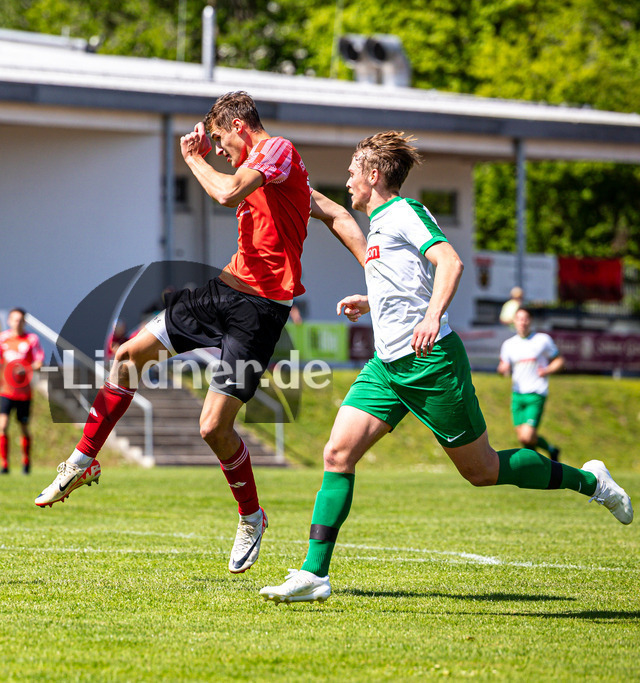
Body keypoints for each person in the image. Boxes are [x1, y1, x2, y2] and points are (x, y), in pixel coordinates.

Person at [259, 132, 632, 605]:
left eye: (354, 169)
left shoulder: (404, 213)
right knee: (337, 454)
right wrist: (370, 300)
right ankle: (314, 573)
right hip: (387, 368)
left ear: (374, 175)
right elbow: (385, 264)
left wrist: (434, 316)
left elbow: (449, 263)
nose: (349, 178)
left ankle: (591, 481)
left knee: (483, 470)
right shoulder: (377, 224)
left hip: (431, 363)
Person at [34, 91, 367, 575]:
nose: (219, 149)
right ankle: (82, 460)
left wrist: (192, 158)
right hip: (222, 291)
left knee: (212, 427)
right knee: (127, 356)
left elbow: (227, 192)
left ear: (237, 124)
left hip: (260, 313)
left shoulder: (277, 151)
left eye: (219, 139)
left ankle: (251, 517)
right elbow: (332, 212)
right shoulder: (275, 172)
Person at [497, 307, 563, 461]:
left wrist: (547, 370)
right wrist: (502, 369)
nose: (522, 322)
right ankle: (549, 454)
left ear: (530, 320)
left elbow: (559, 361)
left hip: (536, 393)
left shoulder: (542, 340)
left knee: (527, 437)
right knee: (524, 438)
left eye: (525, 318)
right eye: (519, 318)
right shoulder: (508, 344)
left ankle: (536, 465)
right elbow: (502, 368)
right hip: (517, 395)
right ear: (514, 321)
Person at [0, 308, 44, 475]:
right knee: (2, 425)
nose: (17, 323)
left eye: (20, 320)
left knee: (24, 427)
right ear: (9, 321)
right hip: (6, 390)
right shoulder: (3, 338)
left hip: (24, 392)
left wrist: (25, 367)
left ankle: (26, 463)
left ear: (24, 322)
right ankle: (4, 465)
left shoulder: (32, 340)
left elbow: (39, 362)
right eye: (14, 319)